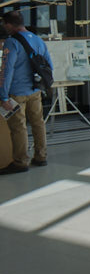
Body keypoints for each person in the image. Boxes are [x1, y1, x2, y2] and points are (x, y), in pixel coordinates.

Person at [0, 10, 53, 174]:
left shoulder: (11, 42)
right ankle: (41, 156)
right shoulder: (38, 39)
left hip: (16, 93)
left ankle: (21, 162)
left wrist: (3, 96)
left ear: (9, 24)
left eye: (4, 24)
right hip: (35, 90)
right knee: (38, 123)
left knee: (18, 127)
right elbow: (49, 65)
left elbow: (7, 70)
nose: (4, 27)